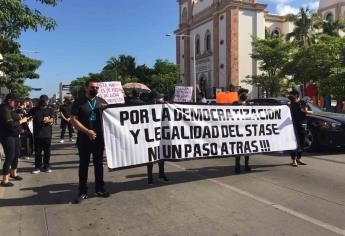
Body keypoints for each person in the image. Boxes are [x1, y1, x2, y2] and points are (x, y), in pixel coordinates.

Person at [70, 78, 110, 204]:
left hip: (99, 139)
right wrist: (87, 131)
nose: (95, 90)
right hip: (84, 139)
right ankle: (82, 192)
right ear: (86, 88)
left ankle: (100, 189)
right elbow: (73, 119)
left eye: (97, 88)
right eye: (92, 87)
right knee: (84, 165)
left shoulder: (102, 101)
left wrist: (107, 109)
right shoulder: (79, 102)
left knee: (99, 165)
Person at [0, 93, 28, 187]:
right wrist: (22, 121)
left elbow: (15, 123)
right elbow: (10, 125)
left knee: (16, 154)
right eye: (15, 101)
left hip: (15, 135)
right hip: (7, 136)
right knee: (10, 156)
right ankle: (4, 180)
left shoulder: (11, 109)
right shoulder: (4, 109)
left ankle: (14, 173)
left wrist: (21, 129)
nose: (16, 103)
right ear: (9, 101)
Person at [146, 90, 168, 185]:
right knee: (151, 158)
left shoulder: (160, 105)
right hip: (150, 135)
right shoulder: (146, 107)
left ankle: (161, 175)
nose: (160, 99)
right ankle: (150, 178)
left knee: (161, 156)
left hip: (159, 134)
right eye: (158, 97)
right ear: (154, 99)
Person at [28, 95, 55, 174]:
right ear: (41, 101)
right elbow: (27, 116)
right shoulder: (34, 109)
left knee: (47, 152)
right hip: (37, 134)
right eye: (45, 100)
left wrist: (49, 120)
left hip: (47, 134)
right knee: (37, 152)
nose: (46, 102)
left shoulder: (50, 110)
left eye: (47, 100)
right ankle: (37, 167)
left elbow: (53, 119)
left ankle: (46, 166)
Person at [288, 88, 312, 167]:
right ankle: (293, 160)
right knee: (294, 142)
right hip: (293, 125)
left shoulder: (303, 103)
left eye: (292, 95)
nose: (290, 96)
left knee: (302, 142)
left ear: (296, 95)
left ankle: (299, 158)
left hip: (303, 125)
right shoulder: (289, 104)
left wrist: (305, 111)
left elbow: (311, 112)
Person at [233, 88, 251, 174]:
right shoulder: (234, 104)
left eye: (246, 94)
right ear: (239, 95)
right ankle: (237, 166)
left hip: (247, 130)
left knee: (247, 148)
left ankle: (247, 165)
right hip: (238, 130)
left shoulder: (248, 105)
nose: (245, 96)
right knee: (238, 149)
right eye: (243, 94)